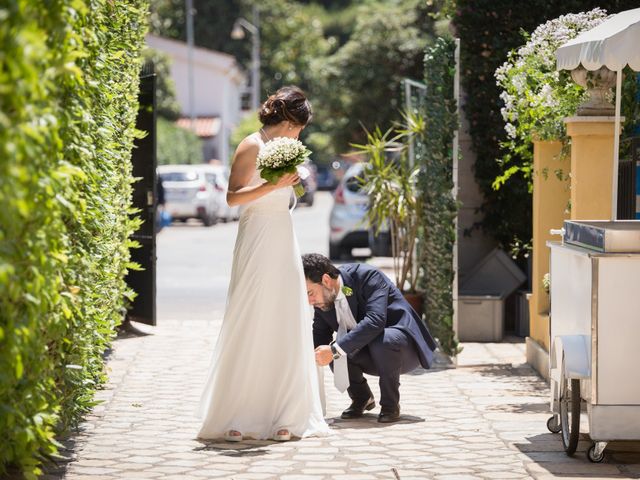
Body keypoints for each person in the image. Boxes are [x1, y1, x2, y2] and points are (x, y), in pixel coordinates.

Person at [197, 87, 329, 442]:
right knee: (251, 315)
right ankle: (237, 414)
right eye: (299, 127)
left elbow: (288, 197)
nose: (300, 134)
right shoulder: (251, 145)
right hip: (256, 236)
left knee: (285, 318)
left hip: (283, 237)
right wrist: (272, 186)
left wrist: (292, 185)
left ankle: (285, 415)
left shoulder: (286, 150)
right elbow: (232, 197)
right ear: (288, 121)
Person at [302, 253, 438, 423]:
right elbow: (319, 338)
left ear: (326, 280)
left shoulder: (367, 276)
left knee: (373, 342)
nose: (309, 301)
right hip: (370, 350)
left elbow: (375, 321)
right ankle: (362, 398)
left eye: (310, 292)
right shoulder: (323, 300)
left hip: (403, 347)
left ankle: (390, 405)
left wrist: (335, 350)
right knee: (329, 351)